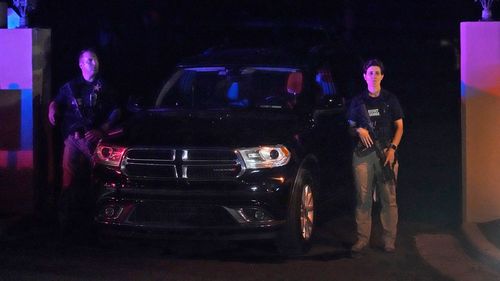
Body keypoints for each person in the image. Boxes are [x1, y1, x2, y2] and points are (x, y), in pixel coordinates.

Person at [48, 48, 120, 235]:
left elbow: (116, 110)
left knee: (98, 180)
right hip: (74, 139)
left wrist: (102, 130)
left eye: (95, 59)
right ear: (80, 64)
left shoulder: (105, 87)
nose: (93, 63)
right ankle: (65, 224)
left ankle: (97, 222)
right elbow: (57, 100)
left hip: (95, 141)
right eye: (89, 60)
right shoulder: (72, 86)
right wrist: (52, 109)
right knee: (68, 181)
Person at [347, 59, 404, 253]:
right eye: (370, 73)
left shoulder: (390, 99)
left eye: (377, 72)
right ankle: (362, 240)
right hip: (363, 155)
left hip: (386, 153)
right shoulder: (358, 101)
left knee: (389, 198)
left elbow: (400, 127)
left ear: (382, 76)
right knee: (363, 198)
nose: (374, 76)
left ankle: (389, 240)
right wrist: (358, 132)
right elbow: (349, 126)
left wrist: (392, 149)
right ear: (364, 76)